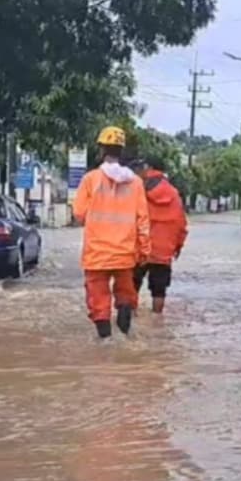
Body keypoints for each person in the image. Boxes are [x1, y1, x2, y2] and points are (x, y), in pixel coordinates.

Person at [72, 126, 151, 339]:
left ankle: (105, 341)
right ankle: (124, 331)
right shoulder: (135, 183)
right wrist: (144, 251)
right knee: (126, 296)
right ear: (122, 152)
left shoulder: (90, 179)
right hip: (125, 253)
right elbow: (143, 220)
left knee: (99, 300)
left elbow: (79, 214)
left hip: (96, 254)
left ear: (101, 150)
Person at [129, 157, 188, 314]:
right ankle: (157, 321)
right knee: (159, 290)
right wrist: (178, 246)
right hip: (164, 251)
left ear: (148, 168)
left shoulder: (138, 190)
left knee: (131, 286)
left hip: (139, 248)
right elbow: (181, 224)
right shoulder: (175, 195)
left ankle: (129, 321)